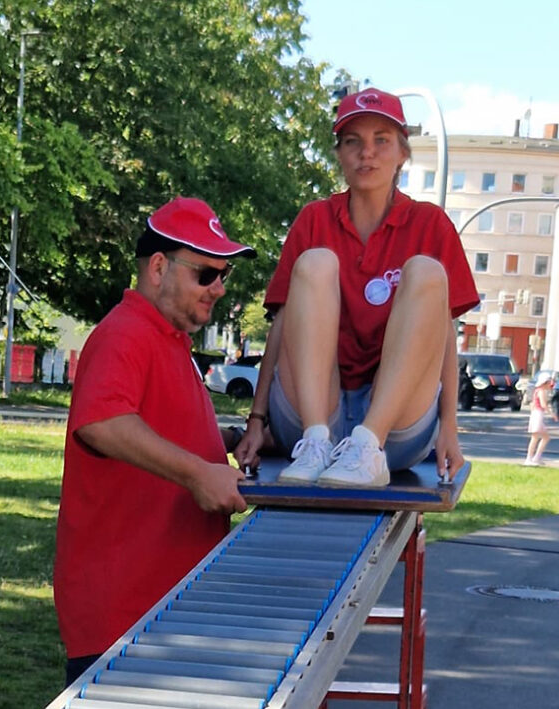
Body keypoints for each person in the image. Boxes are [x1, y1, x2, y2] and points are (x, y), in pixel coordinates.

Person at [53, 197, 255, 686]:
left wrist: (230, 439)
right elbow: (102, 423)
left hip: (164, 611)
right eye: (206, 274)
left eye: (224, 274)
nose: (219, 288)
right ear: (159, 267)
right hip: (127, 620)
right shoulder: (125, 333)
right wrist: (199, 473)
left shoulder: (167, 337)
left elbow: (161, 427)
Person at [235, 88, 479, 488]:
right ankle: (316, 443)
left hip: (394, 428)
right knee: (316, 262)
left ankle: (367, 446)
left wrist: (449, 427)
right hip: (314, 413)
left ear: (403, 153)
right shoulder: (314, 219)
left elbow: (443, 336)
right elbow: (283, 324)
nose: (367, 153)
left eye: (381, 140)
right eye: (353, 141)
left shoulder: (430, 224)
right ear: (339, 154)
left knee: (426, 271)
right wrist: (256, 421)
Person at [524, 371, 555, 466]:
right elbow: (543, 404)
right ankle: (529, 459)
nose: (550, 384)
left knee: (546, 437)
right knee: (535, 437)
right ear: (545, 382)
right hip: (537, 415)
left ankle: (536, 457)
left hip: (537, 414)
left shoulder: (538, 390)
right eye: (549, 382)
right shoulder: (541, 391)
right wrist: (552, 414)